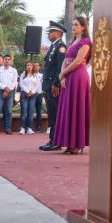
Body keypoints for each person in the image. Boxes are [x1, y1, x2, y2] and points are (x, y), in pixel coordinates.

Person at [52, 17, 92, 154]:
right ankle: (69, 142)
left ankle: (76, 144)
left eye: (76, 25)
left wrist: (63, 73)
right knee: (68, 108)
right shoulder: (73, 42)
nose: (73, 27)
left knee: (77, 108)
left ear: (83, 27)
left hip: (78, 77)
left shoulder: (86, 42)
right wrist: (62, 76)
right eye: (72, 24)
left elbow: (78, 61)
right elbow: (65, 60)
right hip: (68, 76)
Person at [39, 21, 67, 151]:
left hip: (54, 86)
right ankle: (53, 139)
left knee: (55, 113)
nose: (48, 34)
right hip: (48, 85)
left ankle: (55, 141)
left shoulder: (61, 47)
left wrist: (56, 84)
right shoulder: (53, 46)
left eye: (51, 32)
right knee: (51, 112)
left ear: (58, 34)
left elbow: (60, 68)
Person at [19, 62, 41, 135]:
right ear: (26, 67)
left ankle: (29, 128)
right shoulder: (23, 74)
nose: (29, 66)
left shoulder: (35, 75)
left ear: (32, 67)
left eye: (30, 65)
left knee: (31, 111)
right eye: (27, 65)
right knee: (24, 111)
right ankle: (22, 128)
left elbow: (38, 84)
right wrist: (27, 91)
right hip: (24, 94)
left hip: (33, 94)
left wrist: (32, 91)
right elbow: (21, 84)